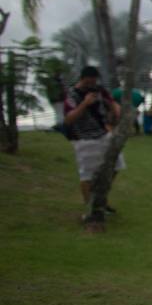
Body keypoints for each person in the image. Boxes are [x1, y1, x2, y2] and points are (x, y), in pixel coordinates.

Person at [63, 66, 124, 211]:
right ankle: (90, 207)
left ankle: (101, 197)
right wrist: (84, 104)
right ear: (82, 79)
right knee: (87, 174)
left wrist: (117, 111)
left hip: (104, 133)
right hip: (83, 138)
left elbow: (111, 102)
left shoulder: (99, 90)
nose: (92, 84)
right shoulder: (72, 94)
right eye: (89, 82)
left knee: (116, 164)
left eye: (94, 81)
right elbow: (68, 119)